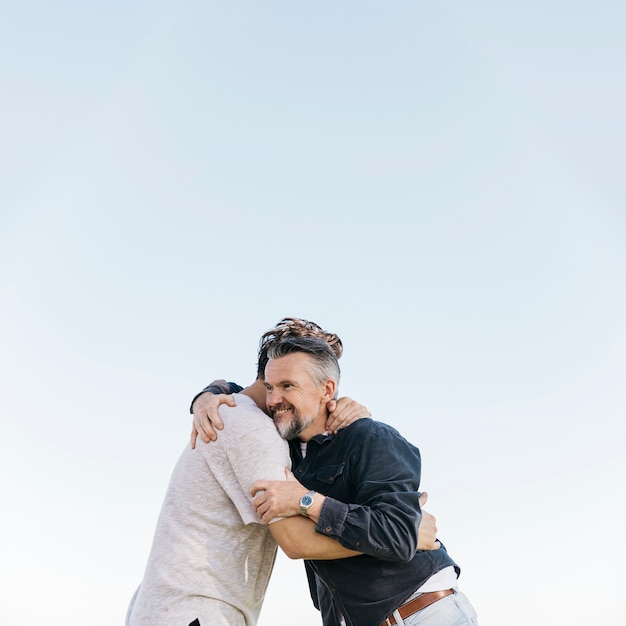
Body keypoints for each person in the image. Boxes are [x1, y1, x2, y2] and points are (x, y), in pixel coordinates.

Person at [249, 336, 479, 626]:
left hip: (422, 613)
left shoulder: (371, 438)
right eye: (270, 387)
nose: (272, 400)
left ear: (327, 389)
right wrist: (208, 395)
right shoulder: (287, 451)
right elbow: (237, 398)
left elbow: (396, 533)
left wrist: (305, 501)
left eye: (287, 386)